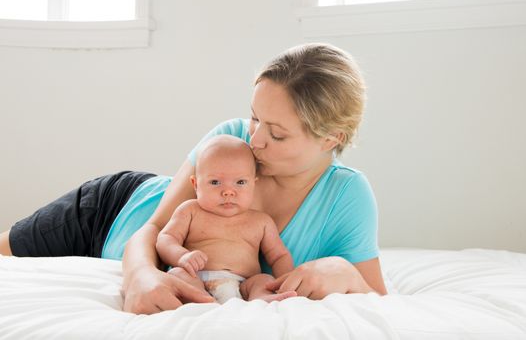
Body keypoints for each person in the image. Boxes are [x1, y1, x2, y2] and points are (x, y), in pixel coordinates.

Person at [0, 43, 387, 314]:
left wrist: (346, 272)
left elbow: (378, 296)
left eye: (278, 133)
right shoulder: (230, 138)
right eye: (255, 117)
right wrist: (139, 276)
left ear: (331, 138)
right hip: (111, 210)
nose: (254, 140)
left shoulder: (346, 195)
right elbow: (153, 227)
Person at [156, 134, 294, 304]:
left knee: (263, 280)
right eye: (215, 182)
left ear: (254, 184)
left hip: (242, 285)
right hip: (196, 278)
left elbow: (279, 256)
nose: (228, 191)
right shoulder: (190, 211)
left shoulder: (261, 222)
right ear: (196, 185)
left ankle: (261, 299)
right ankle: (202, 300)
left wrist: (286, 282)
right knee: (178, 275)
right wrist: (181, 256)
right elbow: (166, 238)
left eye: (240, 182)